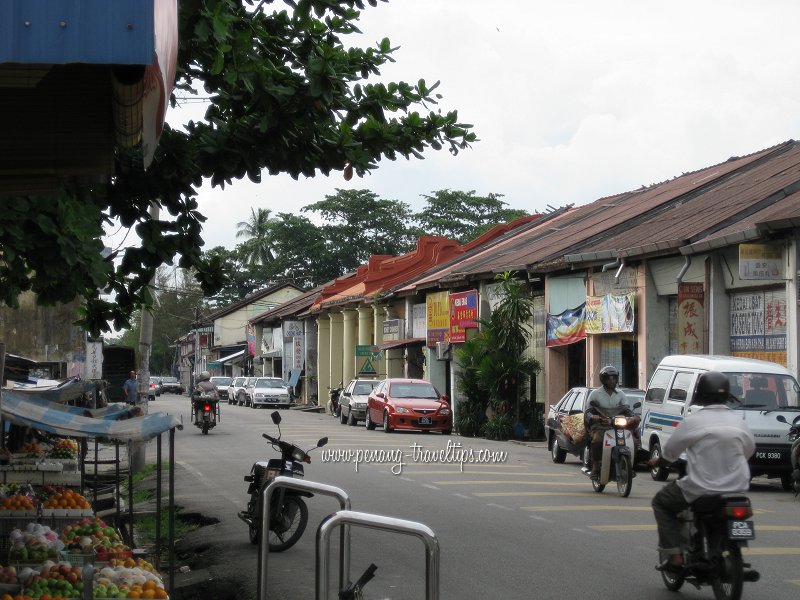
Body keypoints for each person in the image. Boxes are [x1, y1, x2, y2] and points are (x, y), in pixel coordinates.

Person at [649, 370, 755, 573]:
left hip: (701, 489)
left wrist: (658, 462)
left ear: (701, 394)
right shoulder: (739, 421)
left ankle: (675, 556)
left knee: (661, 502)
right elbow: (748, 450)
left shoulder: (693, 422)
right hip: (737, 489)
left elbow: (671, 453)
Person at [585, 365, 628, 479]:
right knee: (597, 440)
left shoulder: (621, 394)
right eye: (609, 378)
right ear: (603, 379)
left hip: (618, 426)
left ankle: (628, 467)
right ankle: (596, 465)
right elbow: (588, 411)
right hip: (600, 425)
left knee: (632, 441)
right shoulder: (595, 394)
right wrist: (593, 417)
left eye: (614, 378)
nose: (611, 380)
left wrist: (634, 417)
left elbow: (627, 410)